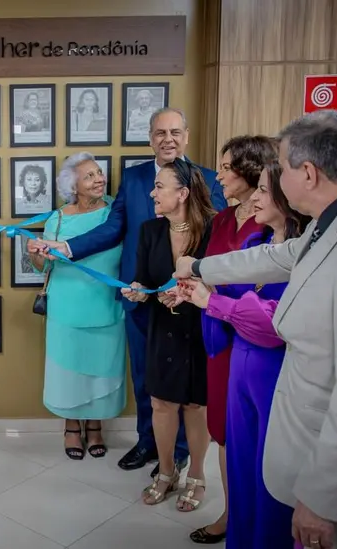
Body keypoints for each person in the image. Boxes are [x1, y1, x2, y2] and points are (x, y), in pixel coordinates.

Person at [175, 111, 337, 549]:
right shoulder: (336, 220)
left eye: (283, 167)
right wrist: (199, 266)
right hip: (305, 458)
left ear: (308, 174)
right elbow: (278, 257)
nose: (272, 180)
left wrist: (323, 497)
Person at [32, 107, 227, 477]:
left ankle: (180, 452)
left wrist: (194, 281)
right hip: (138, 293)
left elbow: (215, 234)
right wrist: (67, 247)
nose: (167, 139)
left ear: (186, 135)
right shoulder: (136, 178)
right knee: (144, 373)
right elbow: (114, 226)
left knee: (187, 380)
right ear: (150, 138)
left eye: (174, 132)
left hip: (187, 297)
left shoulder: (208, 178)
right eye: (159, 133)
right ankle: (147, 442)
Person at [180, 155, 308, 548]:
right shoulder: (256, 244)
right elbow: (229, 293)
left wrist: (211, 302)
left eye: (264, 192)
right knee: (240, 467)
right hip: (239, 368)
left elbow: (274, 325)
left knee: (270, 474)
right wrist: (195, 292)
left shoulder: (305, 255)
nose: (254, 200)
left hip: (274, 374)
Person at [122, 158, 215, 512]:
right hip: (163, 328)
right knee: (161, 402)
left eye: (160, 186)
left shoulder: (212, 229)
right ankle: (165, 472)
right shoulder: (149, 231)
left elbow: (222, 277)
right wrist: (138, 290)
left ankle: (197, 475)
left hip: (200, 328)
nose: (152, 192)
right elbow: (144, 280)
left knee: (195, 404)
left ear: (183, 193)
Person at [192, 134, 272, 543]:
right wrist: (189, 289)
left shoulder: (274, 220)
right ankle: (232, 514)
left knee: (252, 438)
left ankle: (247, 518)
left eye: (226, 167)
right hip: (218, 338)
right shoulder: (222, 219)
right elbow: (208, 271)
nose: (218, 174)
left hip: (256, 341)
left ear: (251, 170)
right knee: (223, 430)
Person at [30, 153, 126, 460]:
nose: (99, 179)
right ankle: (72, 427)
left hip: (106, 304)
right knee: (69, 370)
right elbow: (41, 266)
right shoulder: (56, 219)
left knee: (100, 366)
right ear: (74, 187)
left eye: (99, 172)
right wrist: (35, 251)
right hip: (66, 306)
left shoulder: (115, 212)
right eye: (89, 176)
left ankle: (95, 426)